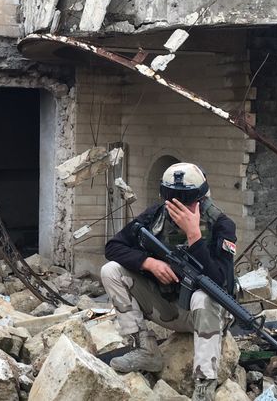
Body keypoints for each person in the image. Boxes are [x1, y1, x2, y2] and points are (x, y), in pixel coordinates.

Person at [100, 162, 237, 401]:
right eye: (174, 203)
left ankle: (204, 383)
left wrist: (195, 237)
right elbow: (113, 247)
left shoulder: (221, 225)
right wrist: (148, 263)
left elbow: (221, 283)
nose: (180, 209)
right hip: (168, 308)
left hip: (208, 315)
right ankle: (144, 350)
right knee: (111, 271)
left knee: (205, 294)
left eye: (189, 203)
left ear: (202, 198)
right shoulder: (156, 215)